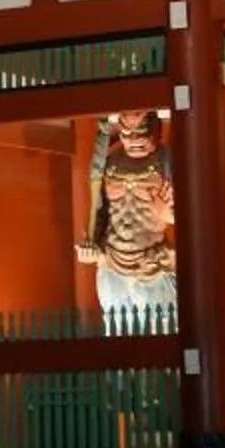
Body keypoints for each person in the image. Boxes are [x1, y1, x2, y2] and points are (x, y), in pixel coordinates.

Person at [77, 110, 176, 329]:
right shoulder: (110, 161)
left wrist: (167, 214)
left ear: (157, 128)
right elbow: (99, 210)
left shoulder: (167, 161)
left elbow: (192, 216)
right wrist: (90, 245)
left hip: (152, 265)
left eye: (141, 131)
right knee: (118, 333)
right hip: (112, 263)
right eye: (126, 132)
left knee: (160, 334)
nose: (133, 139)